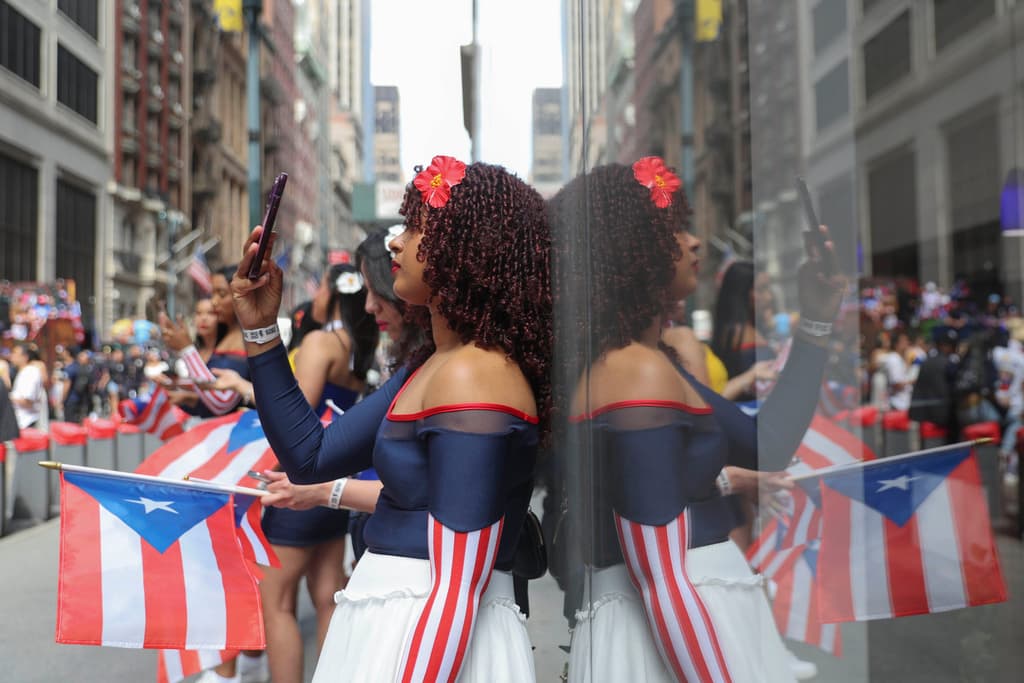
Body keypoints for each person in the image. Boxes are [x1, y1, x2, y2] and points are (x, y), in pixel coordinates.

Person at [233, 156, 551, 682]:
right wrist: (261, 328)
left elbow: (456, 590)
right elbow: (310, 456)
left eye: (415, 228)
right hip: (398, 625)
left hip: (427, 636)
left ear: (468, 248)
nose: (395, 243)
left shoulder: (475, 375)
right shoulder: (434, 365)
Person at [548, 158, 844, 683]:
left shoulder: (644, 362)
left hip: (691, 620)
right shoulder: (634, 369)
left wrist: (817, 318)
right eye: (674, 230)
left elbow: (766, 445)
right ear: (631, 248)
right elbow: (660, 577)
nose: (695, 242)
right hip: (680, 627)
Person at [255, 262, 378, 683]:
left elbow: (295, 418)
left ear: (333, 292)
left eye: (321, 286)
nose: (316, 294)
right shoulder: (357, 344)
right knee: (328, 595)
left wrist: (263, 472)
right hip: (336, 478)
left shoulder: (320, 343)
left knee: (276, 601)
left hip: (302, 481)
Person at [9, 343, 46, 430]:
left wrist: (7, 398)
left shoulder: (30, 372)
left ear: (25, 357)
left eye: (15, 353)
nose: (12, 356)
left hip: (27, 421)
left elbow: (27, 401)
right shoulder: (24, 371)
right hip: (21, 420)